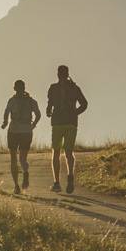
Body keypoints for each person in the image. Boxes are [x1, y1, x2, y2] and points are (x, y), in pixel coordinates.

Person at [44, 64, 87, 194]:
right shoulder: (74, 88)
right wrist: (75, 113)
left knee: (56, 152)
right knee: (68, 152)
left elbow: (49, 105)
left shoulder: (53, 88)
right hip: (70, 123)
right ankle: (70, 177)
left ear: (58, 74)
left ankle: (57, 183)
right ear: (67, 74)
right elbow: (84, 104)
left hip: (58, 123)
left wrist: (49, 111)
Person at [1, 78, 40, 193]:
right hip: (26, 131)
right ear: (24, 88)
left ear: (14, 88)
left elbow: (6, 112)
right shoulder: (31, 101)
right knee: (22, 158)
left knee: (13, 158)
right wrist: (33, 124)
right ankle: (25, 173)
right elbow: (38, 114)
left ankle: (16, 186)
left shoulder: (12, 101)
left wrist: (5, 122)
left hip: (13, 131)